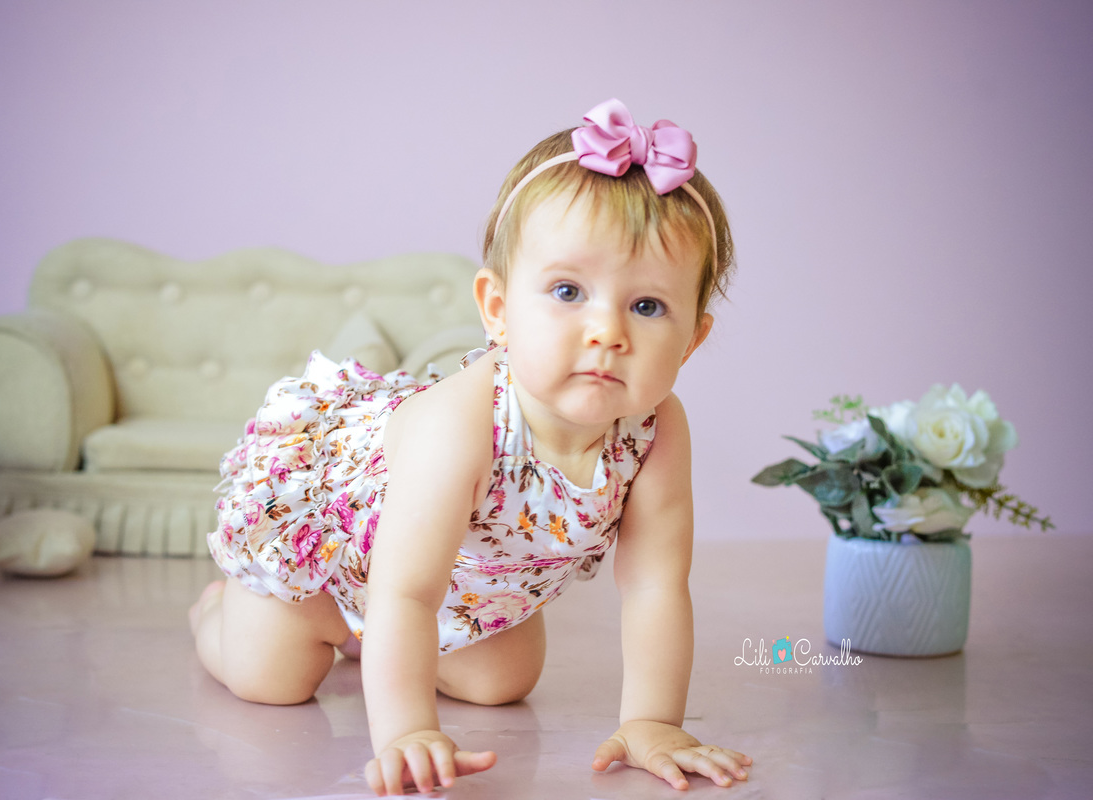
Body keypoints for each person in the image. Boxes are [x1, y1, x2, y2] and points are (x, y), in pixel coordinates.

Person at [189, 98, 753, 795]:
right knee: (269, 679)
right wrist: (406, 730)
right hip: (344, 568)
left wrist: (652, 721)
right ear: (497, 310)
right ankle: (221, 611)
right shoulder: (462, 422)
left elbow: (654, 586)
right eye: (568, 291)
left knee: (503, 682)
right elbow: (403, 589)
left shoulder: (658, 430)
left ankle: (374, 651)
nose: (608, 331)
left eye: (647, 306)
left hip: (465, 590)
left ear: (692, 340)